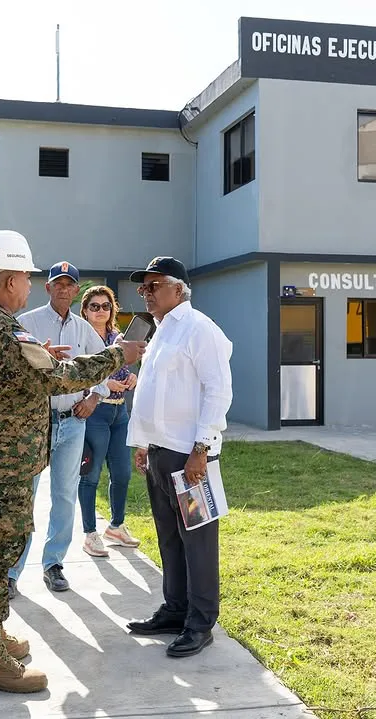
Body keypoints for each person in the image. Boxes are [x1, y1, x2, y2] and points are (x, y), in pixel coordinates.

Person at [0, 230, 146, 693]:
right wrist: (119, 353)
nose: (30, 288)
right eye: (26, 279)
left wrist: (39, 358)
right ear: (11, 279)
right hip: (2, 466)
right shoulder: (0, 327)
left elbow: (15, 370)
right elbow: (61, 378)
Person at [124, 256, 233, 659]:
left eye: (153, 286)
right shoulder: (162, 330)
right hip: (160, 452)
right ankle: (174, 609)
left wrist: (202, 449)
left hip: (191, 456)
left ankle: (201, 622)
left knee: (199, 542)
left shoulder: (200, 329)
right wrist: (144, 443)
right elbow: (154, 392)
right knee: (170, 538)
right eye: (143, 288)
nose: (145, 294)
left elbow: (217, 392)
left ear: (178, 289)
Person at [8, 261, 111, 595]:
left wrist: (94, 398)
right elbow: (13, 371)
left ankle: (53, 564)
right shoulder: (26, 322)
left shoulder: (84, 329)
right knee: (25, 497)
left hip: (72, 423)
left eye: (70, 284)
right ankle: (11, 571)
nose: (64, 289)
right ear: (47, 288)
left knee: (64, 495)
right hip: (35, 424)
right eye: (58, 284)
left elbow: (104, 370)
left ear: (76, 290)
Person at [78, 285, 140, 558]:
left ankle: (116, 526)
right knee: (91, 475)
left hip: (120, 413)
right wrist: (106, 382)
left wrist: (132, 379)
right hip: (96, 412)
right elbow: (78, 372)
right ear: (86, 310)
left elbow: (130, 365)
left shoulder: (119, 337)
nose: (101, 311)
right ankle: (90, 534)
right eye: (95, 306)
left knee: (123, 473)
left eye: (106, 306)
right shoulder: (82, 337)